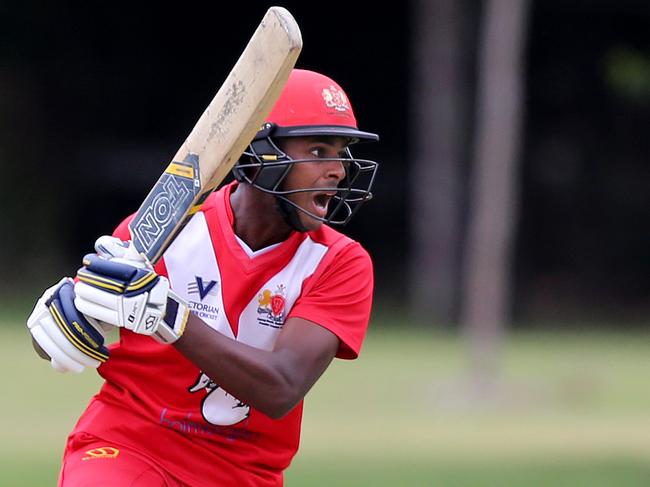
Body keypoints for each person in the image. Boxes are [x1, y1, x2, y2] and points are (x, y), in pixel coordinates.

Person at [27, 68, 380, 486]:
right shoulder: (165, 228)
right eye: (319, 151)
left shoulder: (340, 263)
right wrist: (59, 321)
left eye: (341, 153)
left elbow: (281, 386)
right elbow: (62, 339)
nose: (338, 170)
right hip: (130, 445)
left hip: (241, 472)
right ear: (260, 153)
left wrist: (168, 317)